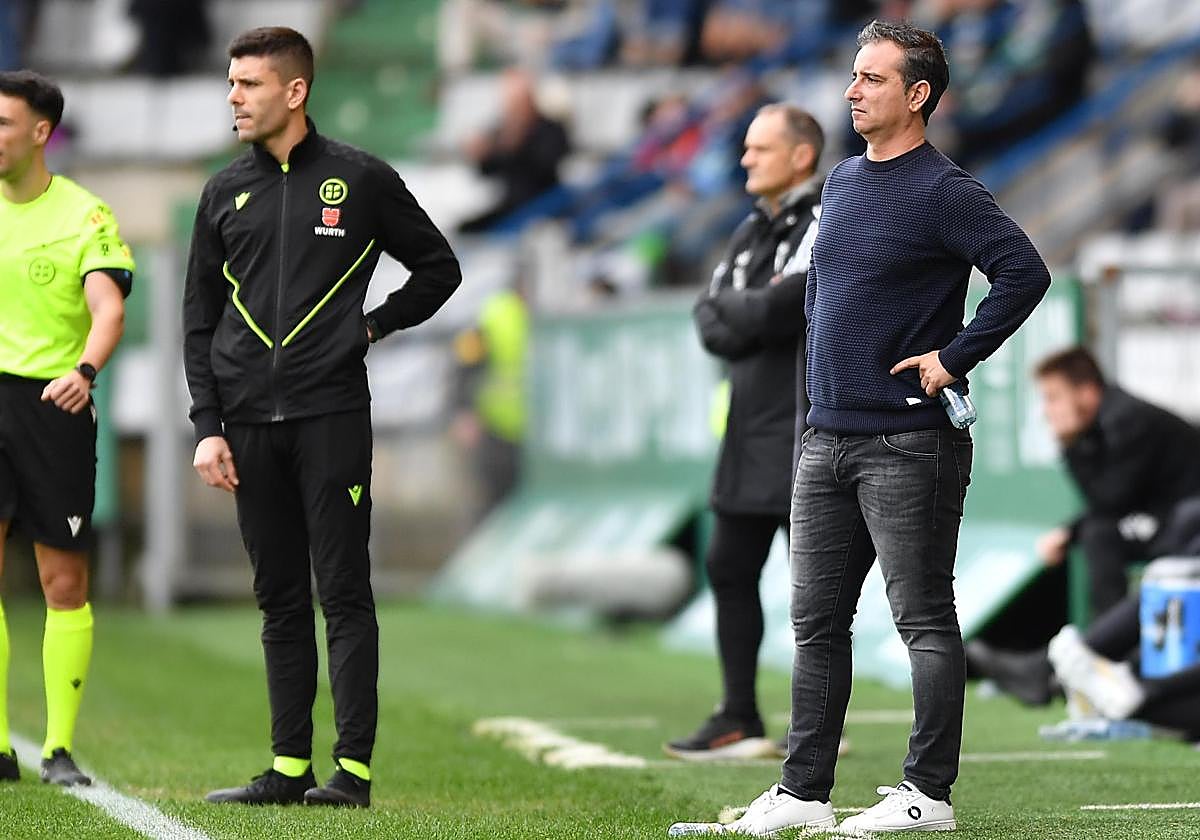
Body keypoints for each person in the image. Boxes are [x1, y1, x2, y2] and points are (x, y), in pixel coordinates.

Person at [671, 19, 1050, 836]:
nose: (852, 91)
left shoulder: (947, 190)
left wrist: (955, 356)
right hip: (827, 439)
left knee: (922, 619)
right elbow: (818, 306)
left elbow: (1025, 271)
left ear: (916, 96)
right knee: (815, 625)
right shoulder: (842, 181)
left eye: (872, 79)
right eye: (852, 76)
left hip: (909, 442)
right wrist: (813, 414)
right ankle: (805, 791)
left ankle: (928, 795)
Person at [183, 27, 461, 808]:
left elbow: (440, 268)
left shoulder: (360, 179)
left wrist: (372, 326)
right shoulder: (221, 191)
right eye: (231, 83)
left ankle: (354, 772)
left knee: (342, 591)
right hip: (243, 426)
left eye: (249, 84)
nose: (234, 97)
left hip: (331, 415)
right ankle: (287, 768)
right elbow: (199, 319)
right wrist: (207, 424)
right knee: (277, 598)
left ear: (295, 91)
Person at [664, 103, 822, 761]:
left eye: (760, 149)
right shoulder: (749, 231)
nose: (745, 159)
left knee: (812, 587)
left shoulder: (824, 219)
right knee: (728, 565)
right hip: (748, 431)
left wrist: (747, 310)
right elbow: (711, 321)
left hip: (805, 429)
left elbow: (787, 305)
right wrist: (749, 311)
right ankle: (738, 713)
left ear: (801, 156)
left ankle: (819, 721)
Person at [0, 70, 134, 786]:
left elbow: (108, 309)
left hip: (54, 403)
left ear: (40, 133)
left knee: (62, 581)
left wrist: (83, 372)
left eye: (2, 123)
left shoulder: (84, 215)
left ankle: (56, 748)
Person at [1032, 346, 1200, 619]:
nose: (1046, 411)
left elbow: (1111, 500)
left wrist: (1068, 445)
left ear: (1086, 393)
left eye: (1053, 398)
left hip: (1186, 523)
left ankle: (1108, 648)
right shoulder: (1110, 418)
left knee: (1099, 532)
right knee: (1097, 530)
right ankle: (1101, 642)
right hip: (1168, 515)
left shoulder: (1126, 419)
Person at [458, 68, 570, 233]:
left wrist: (515, 146)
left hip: (544, 205)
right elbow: (487, 172)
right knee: (465, 229)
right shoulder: (502, 129)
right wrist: (482, 155)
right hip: (511, 205)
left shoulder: (551, 129)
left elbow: (544, 166)